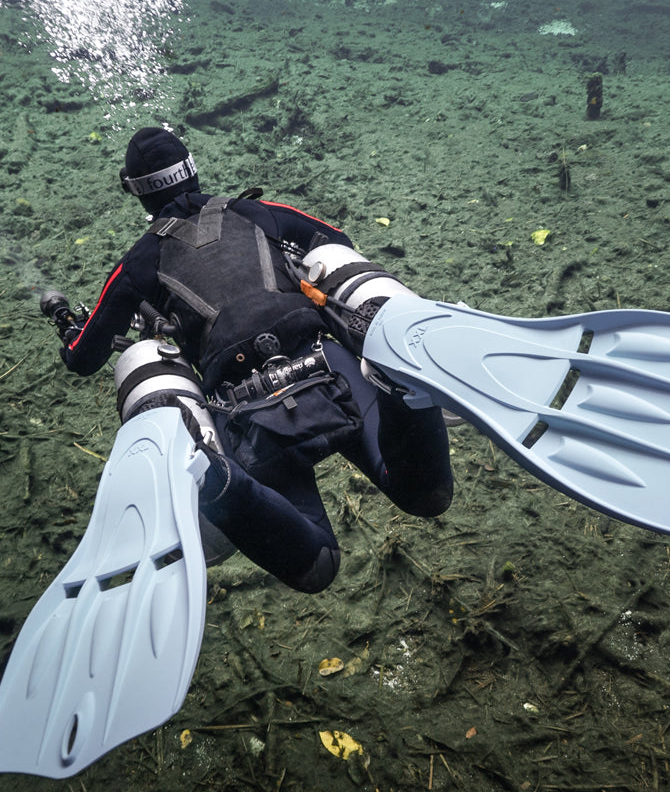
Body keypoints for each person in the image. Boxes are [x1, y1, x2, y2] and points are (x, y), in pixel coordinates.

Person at [59, 126, 453, 593]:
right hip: (330, 366)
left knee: (317, 566)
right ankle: (401, 390)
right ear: (192, 167)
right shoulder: (260, 212)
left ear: (137, 193)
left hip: (244, 410)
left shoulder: (136, 264)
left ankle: (218, 479)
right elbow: (334, 240)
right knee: (426, 496)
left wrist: (68, 327)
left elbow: (82, 357)